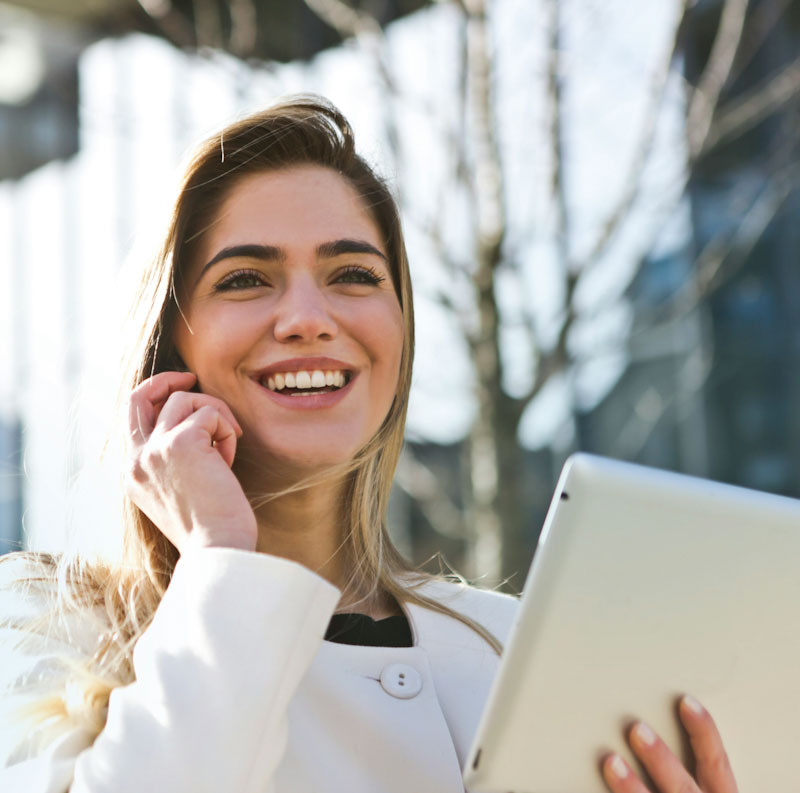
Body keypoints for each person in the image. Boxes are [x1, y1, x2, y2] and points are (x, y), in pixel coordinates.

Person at [0, 96, 737, 793]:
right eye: (247, 278)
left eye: (353, 274)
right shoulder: (40, 628)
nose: (308, 318)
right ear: (168, 344)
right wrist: (221, 556)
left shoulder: (513, 647)